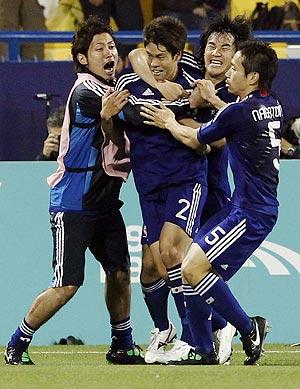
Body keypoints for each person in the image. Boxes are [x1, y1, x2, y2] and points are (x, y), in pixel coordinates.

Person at [4, 15, 144, 366]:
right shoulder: (86, 92)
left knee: (120, 272)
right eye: (100, 48)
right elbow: (133, 121)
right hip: (74, 201)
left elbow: (118, 131)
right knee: (67, 285)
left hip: (105, 201)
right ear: (83, 58)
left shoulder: (110, 90)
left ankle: (122, 344)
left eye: (111, 46)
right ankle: (17, 342)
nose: (109, 52)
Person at [140, 39, 283, 365]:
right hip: (247, 206)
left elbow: (195, 137)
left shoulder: (237, 111)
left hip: (250, 212)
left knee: (192, 267)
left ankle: (234, 333)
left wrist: (168, 122)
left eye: (236, 68)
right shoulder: (272, 102)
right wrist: (217, 99)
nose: (229, 72)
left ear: (253, 78)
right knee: (194, 266)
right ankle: (217, 340)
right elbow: (238, 117)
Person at [128, 15, 252, 364]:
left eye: (226, 48)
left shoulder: (231, 94)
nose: (216, 52)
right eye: (211, 44)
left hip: (208, 190)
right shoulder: (190, 70)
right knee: (156, 265)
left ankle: (213, 332)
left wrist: (179, 119)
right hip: (165, 185)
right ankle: (191, 332)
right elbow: (140, 54)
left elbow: (213, 141)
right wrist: (161, 84)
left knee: (186, 266)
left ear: (237, 57)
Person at [113, 15, 210, 364]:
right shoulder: (130, 78)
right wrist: (172, 103)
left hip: (185, 178)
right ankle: (165, 328)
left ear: (177, 55)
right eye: (150, 55)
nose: (154, 63)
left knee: (171, 253)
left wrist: (182, 110)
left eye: (161, 57)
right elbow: (133, 112)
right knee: (152, 268)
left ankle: (194, 337)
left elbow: (203, 126)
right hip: (148, 185)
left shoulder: (194, 80)